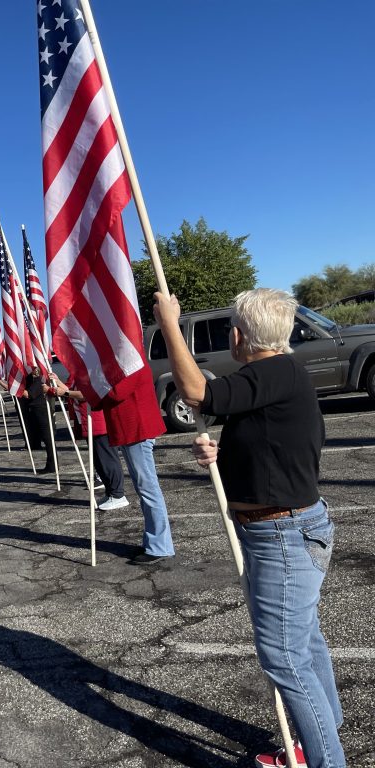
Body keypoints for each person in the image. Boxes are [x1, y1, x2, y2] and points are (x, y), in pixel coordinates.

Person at [155, 288, 344, 768]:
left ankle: (326, 758)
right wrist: (223, 455)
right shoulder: (281, 375)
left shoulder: (275, 371)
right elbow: (274, 441)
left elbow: (197, 392)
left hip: (284, 534)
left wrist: (170, 325)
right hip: (286, 528)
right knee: (305, 642)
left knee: (284, 657)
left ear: (239, 335)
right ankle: (320, 737)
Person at [53, 368, 175, 564]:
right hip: (130, 430)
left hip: (137, 429)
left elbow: (116, 392)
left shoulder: (130, 362)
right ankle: (155, 541)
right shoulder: (125, 361)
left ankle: (160, 546)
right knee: (144, 489)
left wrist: (80, 393)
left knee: (148, 489)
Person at [52, 377, 125, 509]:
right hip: (88, 422)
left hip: (98, 421)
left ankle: (118, 494)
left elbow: (87, 394)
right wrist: (57, 382)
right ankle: (111, 493)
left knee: (107, 460)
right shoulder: (77, 372)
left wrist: (65, 393)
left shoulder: (89, 372)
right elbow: (70, 390)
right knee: (99, 461)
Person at [19, 369, 56, 474]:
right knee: (45, 439)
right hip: (35, 410)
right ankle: (50, 465)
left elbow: (28, 394)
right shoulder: (31, 379)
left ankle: (52, 466)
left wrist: (13, 388)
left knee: (48, 439)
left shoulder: (39, 380)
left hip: (42, 410)